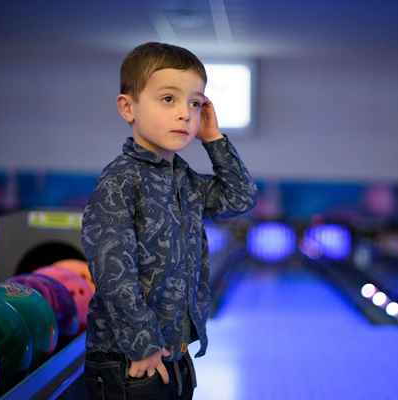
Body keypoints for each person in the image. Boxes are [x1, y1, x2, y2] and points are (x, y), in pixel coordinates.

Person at [81, 42, 257, 399]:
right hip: (129, 359)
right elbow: (113, 268)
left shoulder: (185, 179)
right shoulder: (120, 180)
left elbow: (240, 197)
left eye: (195, 103)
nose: (185, 114)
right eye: (168, 99)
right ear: (127, 107)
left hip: (172, 353)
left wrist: (214, 139)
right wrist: (142, 342)